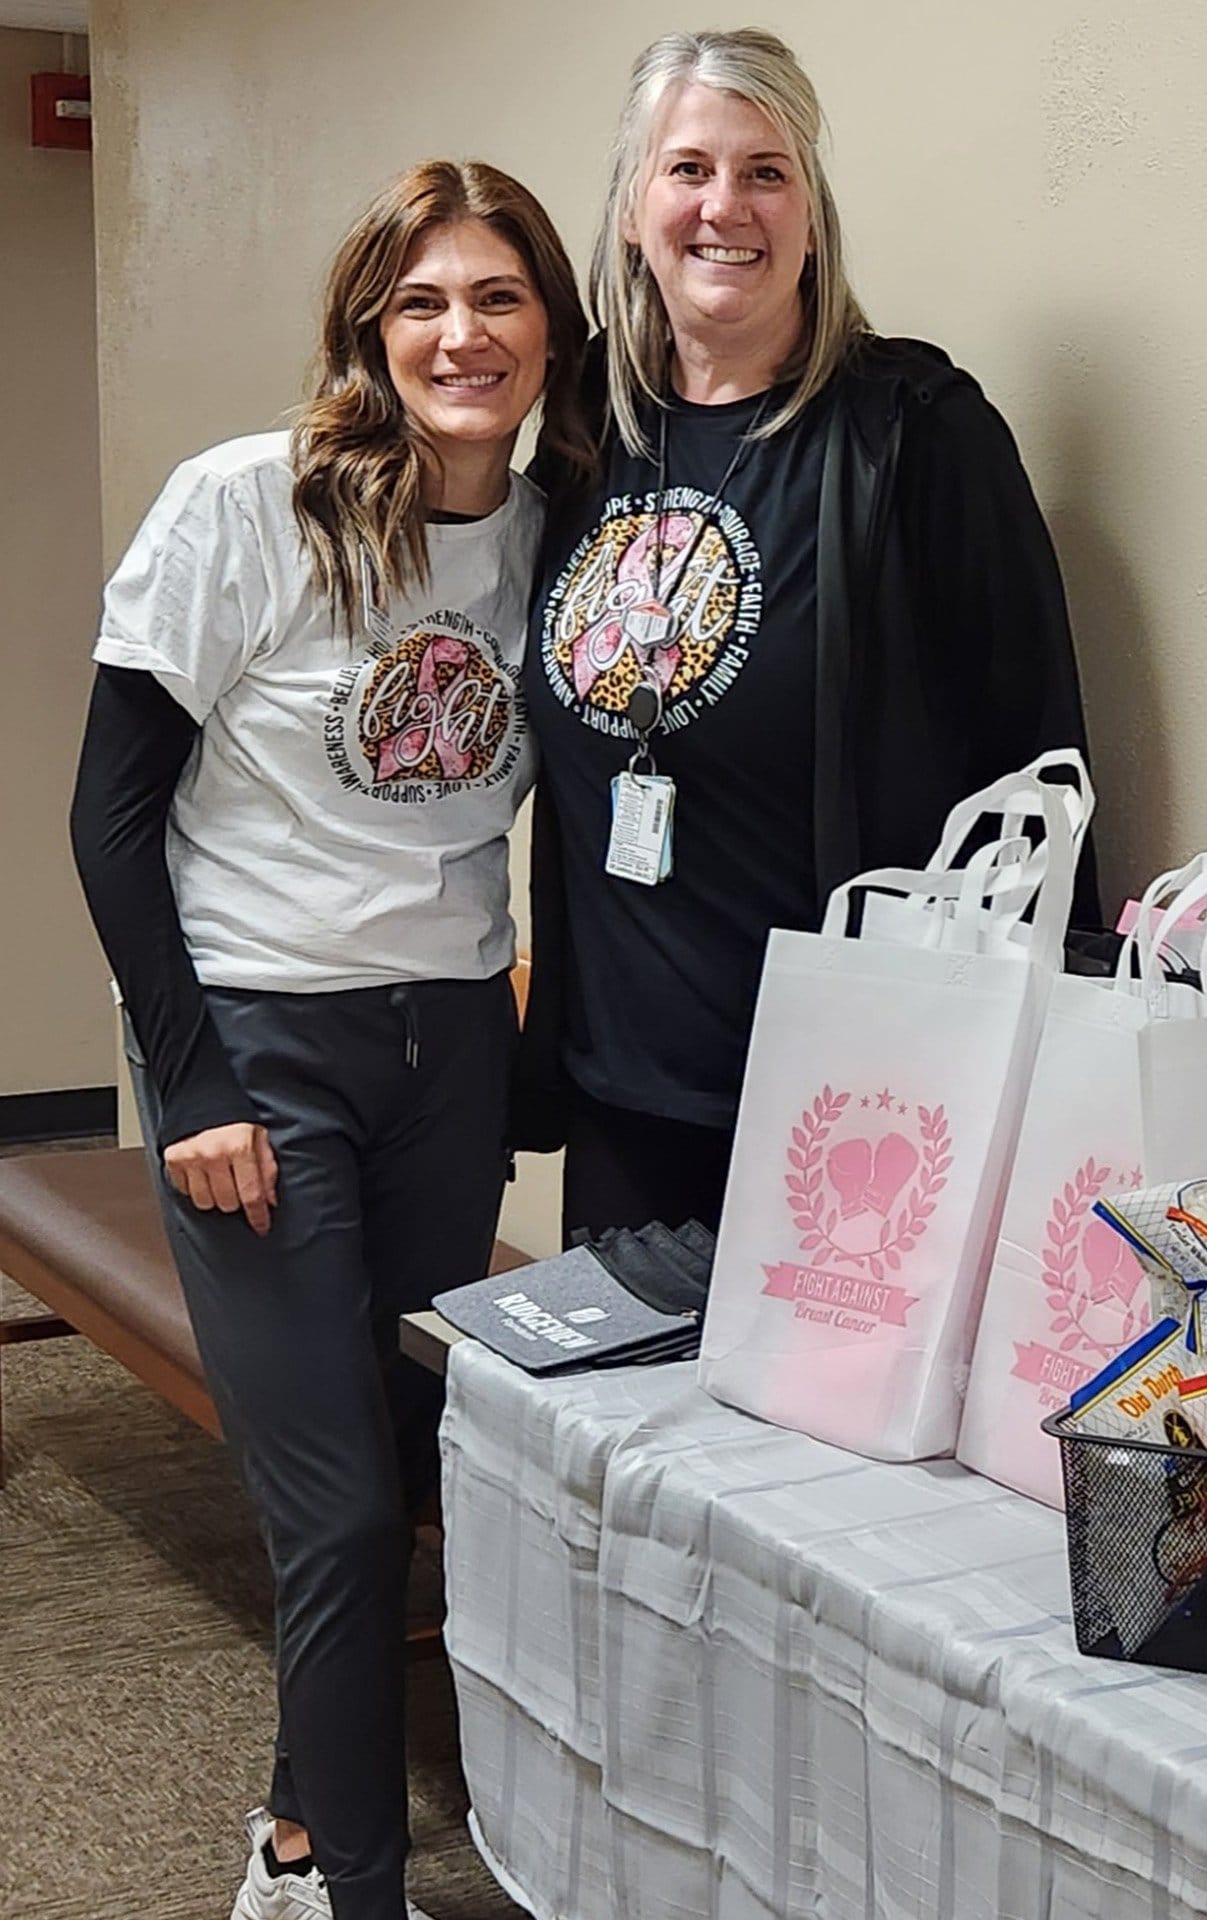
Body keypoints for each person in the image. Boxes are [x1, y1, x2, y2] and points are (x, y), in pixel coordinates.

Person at [68, 163, 594, 1920]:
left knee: (404, 1451)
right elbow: (109, 813)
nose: (464, 334)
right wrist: (191, 1080)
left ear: (548, 332)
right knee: (342, 1511)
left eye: (501, 298)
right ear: (374, 326)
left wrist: (525, 1050)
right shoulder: (247, 509)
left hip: (445, 1051)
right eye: (426, 300)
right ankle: (348, 1893)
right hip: (263, 1053)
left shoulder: (559, 532)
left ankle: (297, 1829)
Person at [518, 28, 1093, 1237]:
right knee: (614, 1428)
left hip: (852, 1116)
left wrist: (1051, 1069)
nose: (725, 205)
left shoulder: (915, 435)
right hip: (623, 1095)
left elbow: (1038, 768)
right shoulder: (585, 429)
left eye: (765, 171)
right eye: (687, 170)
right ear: (633, 209)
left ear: (812, 215)